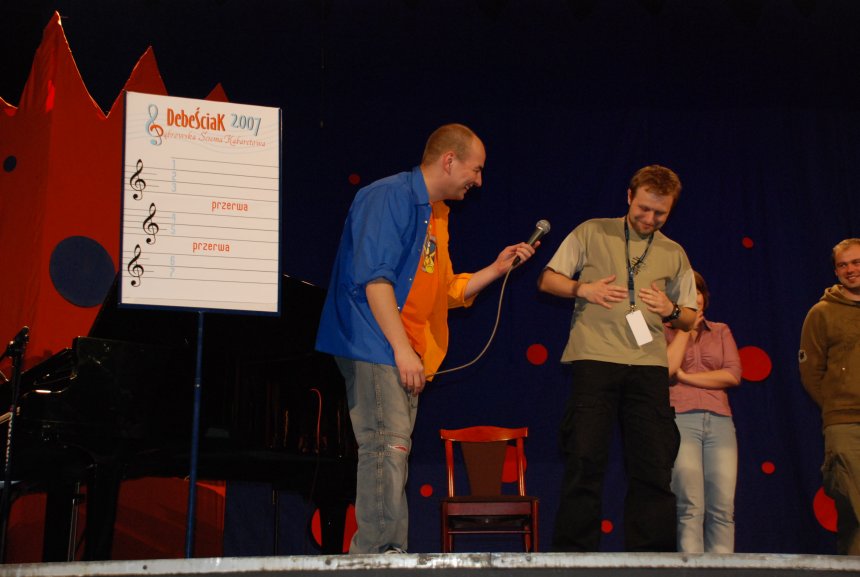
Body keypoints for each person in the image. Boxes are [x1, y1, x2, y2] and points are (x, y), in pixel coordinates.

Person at [315, 123, 537, 554]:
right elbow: (375, 281)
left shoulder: (436, 214)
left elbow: (444, 291)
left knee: (394, 449)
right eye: (476, 169)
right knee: (385, 446)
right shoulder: (388, 196)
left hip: (408, 350)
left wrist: (497, 269)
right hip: (376, 341)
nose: (479, 181)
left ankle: (386, 550)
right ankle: (378, 554)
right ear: (449, 160)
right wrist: (401, 350)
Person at [537, 164, 697, 552]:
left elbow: (690, 317)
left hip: (648, 367)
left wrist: (671, 309)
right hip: (594, 361)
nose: (649, 219)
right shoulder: (592, 231)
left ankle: (653, 558)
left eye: (660, 213)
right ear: (629, 196)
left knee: (653, 466)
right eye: (643, 208)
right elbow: (547, 279)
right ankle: (574, 556)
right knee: (584, 459)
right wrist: (583, 289)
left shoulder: (673, 251)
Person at [665, 271, 742, 553]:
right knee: (690, 505)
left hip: (720, 420)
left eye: (697, 291)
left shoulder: (720, 330)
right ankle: (691, 569)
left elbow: (732, 374)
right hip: (681, 418)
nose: (694, 298)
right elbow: (666, 369)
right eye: (686, 293)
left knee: (723, 506)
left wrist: (686, 377)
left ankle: (722, 569)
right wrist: (685, 330)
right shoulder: (661, 332)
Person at [799, 237, 860, 555]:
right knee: (853, 501)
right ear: (836, 271)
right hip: (844, 421)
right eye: (843, 265)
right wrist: (837, 404)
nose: (850, 270)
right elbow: (811, 372)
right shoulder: (821, 313)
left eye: (856, 262)